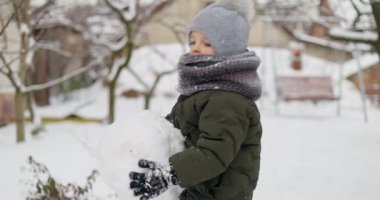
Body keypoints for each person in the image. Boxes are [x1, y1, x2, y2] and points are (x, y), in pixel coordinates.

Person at [129, 0, 262, 199]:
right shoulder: (204, 89)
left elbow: (214, 153)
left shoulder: (228, 100)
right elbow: (182, 127)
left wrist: (169, 175)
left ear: (230, 50)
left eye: (207, 43)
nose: (196, 48)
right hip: (198, 190)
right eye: (193, 41)